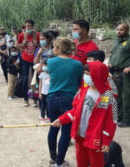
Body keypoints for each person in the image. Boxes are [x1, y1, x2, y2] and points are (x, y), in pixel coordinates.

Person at [52, 61, 117, 167]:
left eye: (88, 74)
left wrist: (106, 141)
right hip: (80, 134)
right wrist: (61, 119)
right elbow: (74, 111)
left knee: (96, 162)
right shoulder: (82, 91)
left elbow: (111, 121)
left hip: (96, 137)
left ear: (97, 76)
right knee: (81, 160)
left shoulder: (108, 97)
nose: (85, 77)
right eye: (85, 73)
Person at [46, 37, 83, 167]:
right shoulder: (77, 64)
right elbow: (79, 83)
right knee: (66, 131)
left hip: (52, 98)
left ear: (59, 48)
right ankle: (60, 162)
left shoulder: (51, 62)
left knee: (53, 127)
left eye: (54, 47)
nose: (52, 49)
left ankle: (53, 158)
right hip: (69, 100)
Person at [16, 19, 40, 107]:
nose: (27, 28)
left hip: (34, 60)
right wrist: (22, 45)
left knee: (35, 80)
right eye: (26, 26)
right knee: (25, 79)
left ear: (33, 27)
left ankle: (35, 99)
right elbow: (16, 45)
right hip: (25, 59)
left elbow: (42, 45)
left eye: (29, 26)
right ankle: (25, 99)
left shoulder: (37, 35)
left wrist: (36, 44)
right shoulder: (22, 35)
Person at [38, 58, 50, 123]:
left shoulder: (52, 74)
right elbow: (40, 84)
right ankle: (42, 117)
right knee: (43, 105)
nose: (45, 67)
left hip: (50, 93)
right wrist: (40, 93)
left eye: (47, 65)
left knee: (49, 106)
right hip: (43, 93)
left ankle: (48, 117)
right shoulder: (42, 74)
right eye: (44, 65)